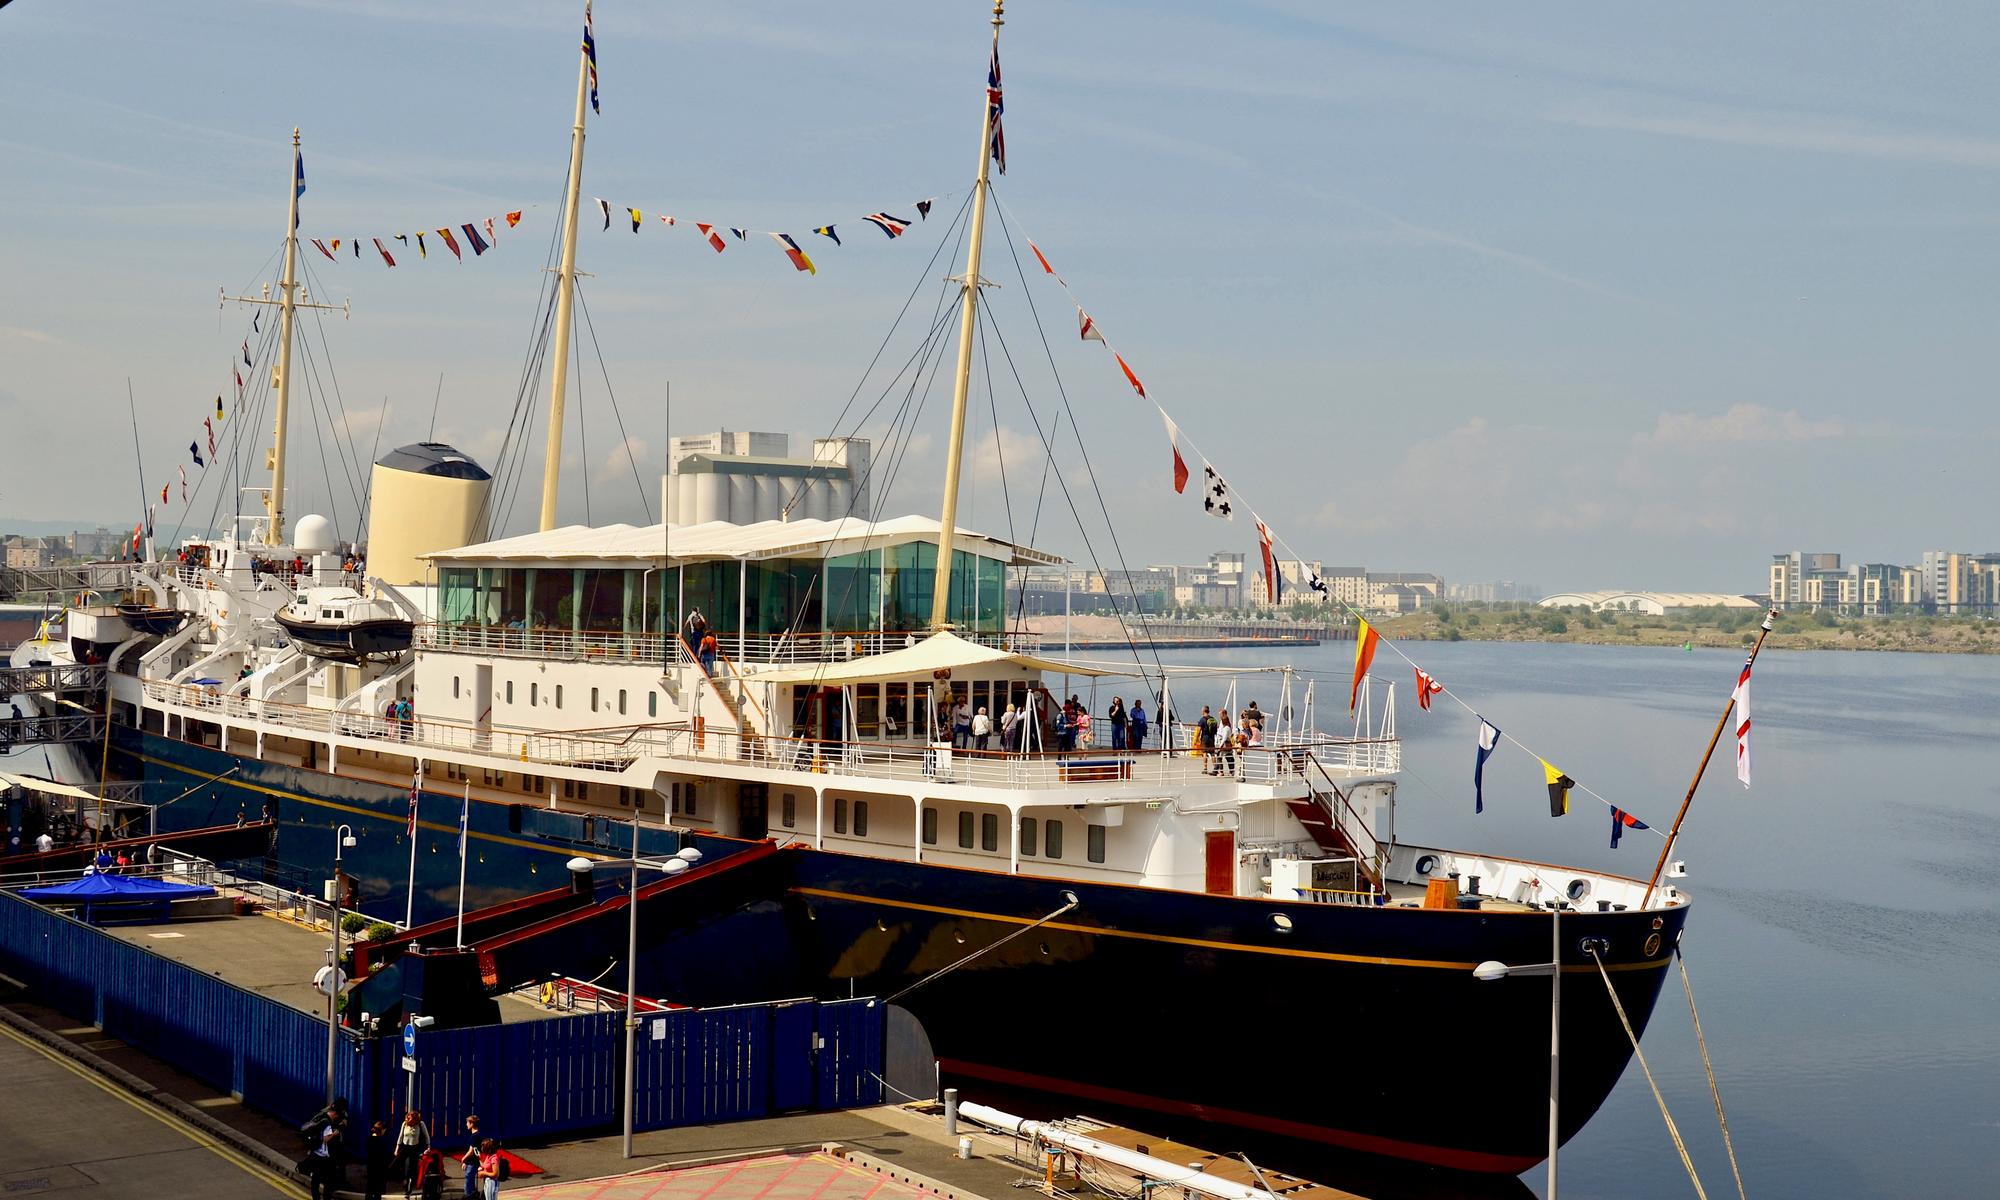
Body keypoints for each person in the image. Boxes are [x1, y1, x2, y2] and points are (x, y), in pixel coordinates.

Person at [395, 1111, 432, 1198]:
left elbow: (427, 1136)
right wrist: (397, 1149)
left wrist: (428, 1147)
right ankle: (404, 1180)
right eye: (408, 1119)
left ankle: (409, 1189)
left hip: (414, 1148)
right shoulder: (405, 1124)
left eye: (411, 1120)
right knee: (401, 1165)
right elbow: (400, 1136)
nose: (409, 1121)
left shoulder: (420, 1124)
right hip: (405, 1147)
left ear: (415, 1119)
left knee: (412, 1168)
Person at [365, 1120, 393, 1200]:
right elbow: (384, 1154)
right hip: (380, 1166)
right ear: (382, 1129)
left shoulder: (369, 1139)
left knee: (370, 1187)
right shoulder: (383, 1141)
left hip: (371, 1165)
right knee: (378, 1190)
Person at [460, 1116, 483, 1198]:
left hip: (472, 1163)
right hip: (473, 1162)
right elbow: (476, 1151)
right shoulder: (477, 1135)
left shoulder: (474, 1136)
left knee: (468, 1184)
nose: (466, 1124)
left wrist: (463, 1159)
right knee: (471, 1182)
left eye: (467, 1123)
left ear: (472, 1124)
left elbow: (471, 1151)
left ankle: (469, 1197)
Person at [1215, 711, 1237, 779]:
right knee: (1229, 758)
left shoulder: (1226, 728)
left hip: (1225, 745)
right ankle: (1231, 771)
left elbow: (1224, 738)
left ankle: (1221, 772)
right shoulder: (1228, 727)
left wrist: (1220, 746)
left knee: (1220, 758)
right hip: (1227, 745)